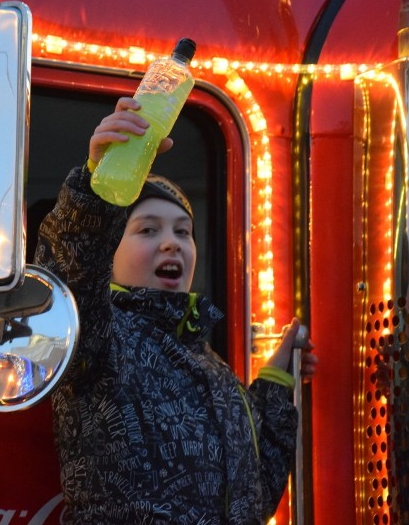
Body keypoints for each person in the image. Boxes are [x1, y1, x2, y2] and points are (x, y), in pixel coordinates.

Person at [33, 96, 318, 524]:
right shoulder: (99, 338)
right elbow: (72, 268)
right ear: (109, 249)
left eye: (183, 231)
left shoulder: (212, 369)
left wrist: (277, 384)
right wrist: (95, 188)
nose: (172, 243)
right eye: (148, 229)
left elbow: (254, 502)